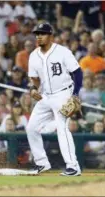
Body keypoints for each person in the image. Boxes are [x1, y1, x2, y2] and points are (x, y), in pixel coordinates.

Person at [27, 23, 83, 176]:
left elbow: (77, 73)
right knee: (31, 128)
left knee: (62, 128)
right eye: (37, 33)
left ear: (50, 36)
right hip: (45, 96)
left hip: (63, 94)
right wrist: (32, 89)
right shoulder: (33, 56)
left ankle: (73, 166)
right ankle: (42, 163)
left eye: (42, 33)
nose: (39, 36)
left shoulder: (62, 52)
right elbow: (34, 80)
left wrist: (75, 94)